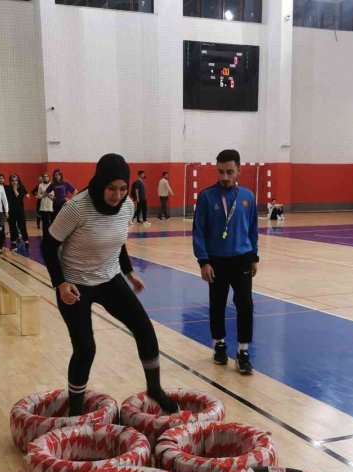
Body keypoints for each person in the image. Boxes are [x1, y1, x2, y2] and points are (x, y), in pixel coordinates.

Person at [41, 153, 178, 416]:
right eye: (112, 189)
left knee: (145, 329)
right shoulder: (76, 208)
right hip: (75, 284)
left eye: (123, 189)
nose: (118, 195)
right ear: (100, 182)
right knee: (85, 348)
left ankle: (155, 389)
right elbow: (49, 245)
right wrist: (60, 283)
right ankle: (77, 412)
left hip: (109, 278)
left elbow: (117, 240)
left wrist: (128, 272)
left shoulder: (127, 206)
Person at [192, 149, 259, 375]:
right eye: (220, 172)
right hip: (216, 262)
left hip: (242, 261)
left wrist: (254, 256)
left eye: (230, 172)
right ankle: (219, 344)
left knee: (245, 305)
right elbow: (198, 232)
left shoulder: (248, 197)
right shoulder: (206, 197)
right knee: (217, 305)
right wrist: (203, 261)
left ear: (239, 170)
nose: (225, 177)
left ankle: (243, 351)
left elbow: (252, 230)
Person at [4, 174, 29, 251]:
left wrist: (15, 189)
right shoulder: (7, 188)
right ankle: (14, 244)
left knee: (22, 227)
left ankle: (26, 242)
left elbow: (19, 197)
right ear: (10, 181)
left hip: (20, 211)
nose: (14, 182)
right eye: (13, 180)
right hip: (11, 211)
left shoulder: (21, 188)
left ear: (18, 181)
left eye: (16, 180)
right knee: (12, 228)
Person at [35, 173, 54, 238]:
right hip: (43, 207)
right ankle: (45, 236)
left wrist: (48, 195)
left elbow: (53, 194)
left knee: (52, 222)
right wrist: (44, 195)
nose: (45, 178)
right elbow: (39, 196)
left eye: (47, 177)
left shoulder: (52, 185)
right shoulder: (40, 185)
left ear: (49, 177)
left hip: (51, 206)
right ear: (43, 178)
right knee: (45, 223)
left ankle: (52, 236)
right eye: (44, 177)